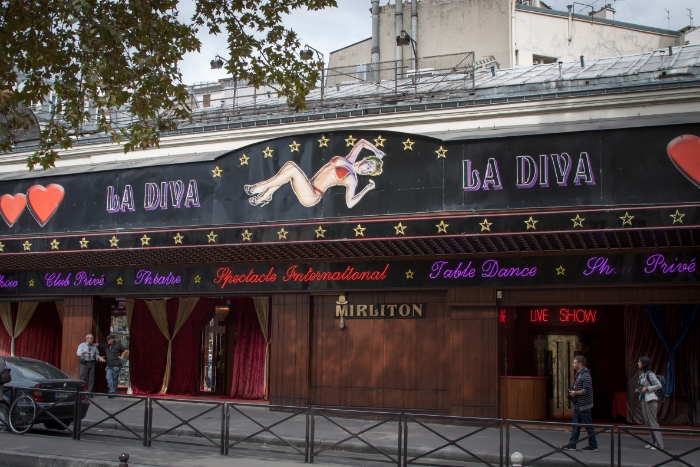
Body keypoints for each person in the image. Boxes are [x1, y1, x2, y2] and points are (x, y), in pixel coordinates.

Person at [244, 139, 385, 208]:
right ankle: (266, 196)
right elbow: (361, 143)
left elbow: (350, 203)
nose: (366, 169)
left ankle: (259, 188)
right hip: (309, 184)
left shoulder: (352, 179)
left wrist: (366, 188)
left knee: (292, 170)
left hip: (313, 195)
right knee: (290, 166)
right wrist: (376, 151)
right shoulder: (350, 159)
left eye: (369, 171)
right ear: (366, 159)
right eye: (369, 165)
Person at [563, 355, 598, 452]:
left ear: (580, 364)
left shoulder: (586, 375)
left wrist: (575, 393)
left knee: (588, 426)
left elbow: (586, 390)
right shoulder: (578, 374)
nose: (573, 364)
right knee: (575, 426)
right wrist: (572, 390)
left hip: (584, 405)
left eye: (574, 362)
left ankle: (593, 445)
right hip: (578, 404)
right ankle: (572, 445)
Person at [636, 356, 664, 450]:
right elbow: (642, 384)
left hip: (651, 399)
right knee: (647, 421)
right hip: (644, 398)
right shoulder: (641, 374)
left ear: (644, 364)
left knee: (652, 421)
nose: (638, 363)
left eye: (639, 362)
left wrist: (648, 389)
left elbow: (658, 385)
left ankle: (659, 444)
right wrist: (639, 390)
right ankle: (652, 441)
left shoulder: (650, 374)